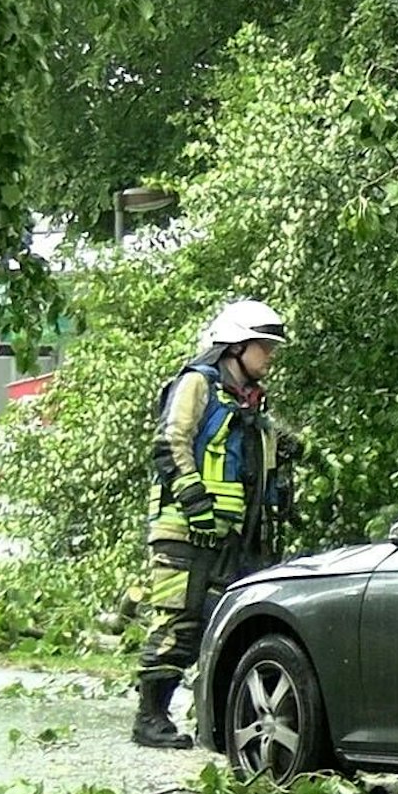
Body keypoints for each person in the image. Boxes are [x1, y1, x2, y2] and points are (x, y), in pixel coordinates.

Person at [131, 299, 290, 749]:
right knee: (177, 621)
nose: (270, 357)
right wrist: (194, 500)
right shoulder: (196, 385)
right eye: (264, 347)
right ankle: (150, 718)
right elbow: (170, 442)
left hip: (230, 534)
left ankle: (213, 722)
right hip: (185, 529)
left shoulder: (249, 402)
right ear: (236, 346)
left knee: (220, 625)